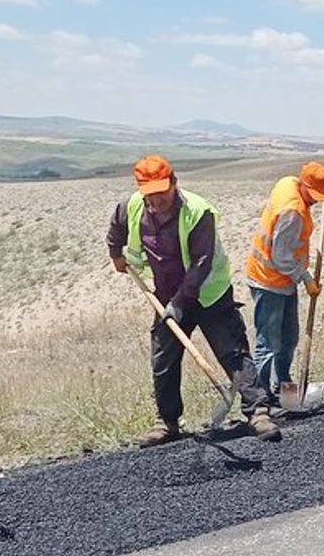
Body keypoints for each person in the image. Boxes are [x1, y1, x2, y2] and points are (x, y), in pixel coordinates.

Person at [107, 155, 278, 447]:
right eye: (151, 193)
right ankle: (167, 422)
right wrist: (116, 254)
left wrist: (180, 303)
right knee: (163, 358)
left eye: (163, 191)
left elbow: (201, 263)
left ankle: (258, 411)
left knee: (232, 351)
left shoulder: (198, 212)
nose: (158, 199)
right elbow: (116, 229)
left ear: (174, 183)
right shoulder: (132, 206)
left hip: (209, 294)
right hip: (166, 295)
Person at [245, 162, 324, 408]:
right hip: (268, 281)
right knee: (268, 344)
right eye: (314, 195)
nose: (315, 201)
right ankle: (261, 399)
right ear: (303, 185)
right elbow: (281, 256)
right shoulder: (292, 213)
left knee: (289, 338)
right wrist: (306, 279)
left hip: (283, 280)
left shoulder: (288, 182)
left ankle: (284, 390)